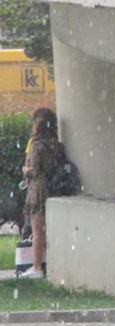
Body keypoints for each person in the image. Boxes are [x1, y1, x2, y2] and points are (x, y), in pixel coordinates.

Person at [18, 108, 59, 279]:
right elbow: (50, 168)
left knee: (37, 231)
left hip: (36, 189)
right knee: (44, 229)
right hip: (48, 187)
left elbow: (33, 170)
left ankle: (37, 267)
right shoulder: (53, 144)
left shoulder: (36, 145)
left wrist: (25, 169)